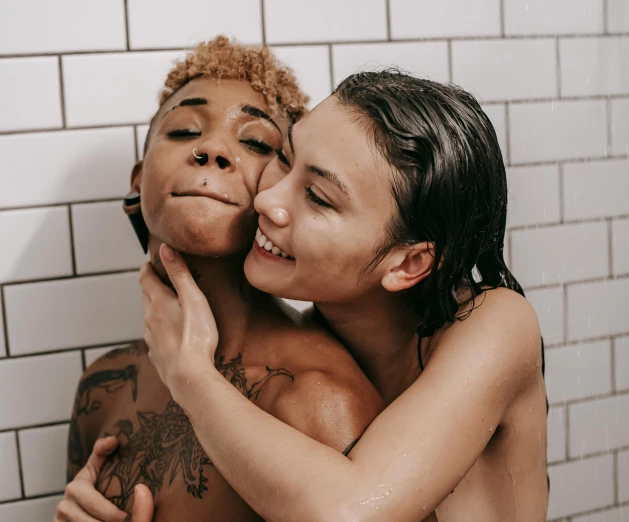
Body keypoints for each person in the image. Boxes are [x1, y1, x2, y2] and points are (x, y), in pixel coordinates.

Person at [134, 70, 550, 521]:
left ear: (408, 264)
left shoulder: (495, 324)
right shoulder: (312, 342)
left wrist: (187, 372)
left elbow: (349, 514)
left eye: (316, 196)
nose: (267, 200)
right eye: (285, 158)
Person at [55, 37, 387, 522]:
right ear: (137, 180)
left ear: (286, 191)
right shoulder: (102, 387)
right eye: (184, 130)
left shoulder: (318, 399)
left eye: (254, 142)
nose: (211, 148)